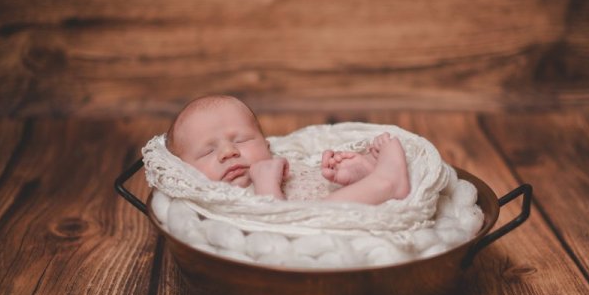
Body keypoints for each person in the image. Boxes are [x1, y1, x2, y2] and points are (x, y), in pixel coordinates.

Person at [166, 95, 410, 205]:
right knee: (315, 215)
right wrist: (266, 186)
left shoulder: (285, 161)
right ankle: (385, 183)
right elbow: (278, 225)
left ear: (268, 145)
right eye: (207, 152)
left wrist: (347, 173)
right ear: (184, 172)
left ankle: (370, 175)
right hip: (315, 226)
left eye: (241, 140)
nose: (229, 152)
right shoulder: (225, 201)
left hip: (352, 207)